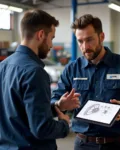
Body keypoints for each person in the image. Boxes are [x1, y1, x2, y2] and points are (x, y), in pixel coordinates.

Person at [51, 14, 120, 150]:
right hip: (83, 144)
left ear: (101, 37)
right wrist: (60, 104)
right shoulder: (72, 69)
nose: (85, 46)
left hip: (119, 145)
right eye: (80, 41)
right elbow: (54, 101)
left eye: (89, 40)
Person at [0, 9, 80, 150]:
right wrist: (64, 124)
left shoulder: (3, 66)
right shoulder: (35, 72)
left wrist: (58, 107)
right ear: (41, 35)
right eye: (52, 38)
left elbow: (19, 113)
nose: (51, 45)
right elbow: (42, 129)